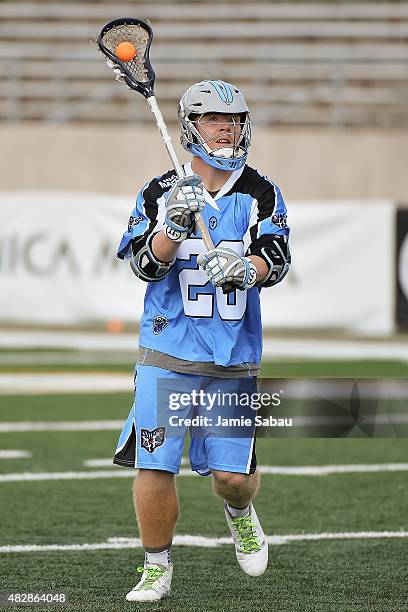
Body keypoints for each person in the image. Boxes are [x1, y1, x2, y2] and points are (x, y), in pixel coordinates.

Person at [114, 80, 291, 602]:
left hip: (233, 355)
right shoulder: (159, 189)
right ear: (192, 125)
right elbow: (145, 265)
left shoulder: (260, 191)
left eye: (234, 119)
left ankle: (240, 512)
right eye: (215, 119)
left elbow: (276, 258)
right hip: (168, 350)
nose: (227, 128)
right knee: (155, 462)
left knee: (234, 478)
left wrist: (245, 267)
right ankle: (156, 566)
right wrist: (171, 225)